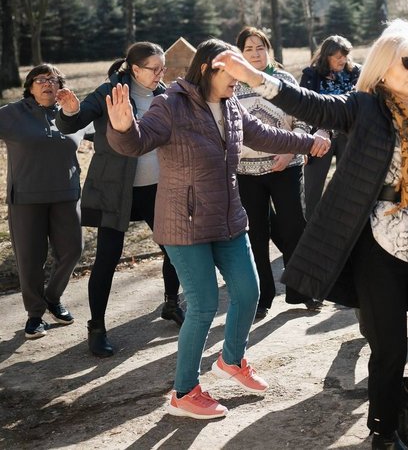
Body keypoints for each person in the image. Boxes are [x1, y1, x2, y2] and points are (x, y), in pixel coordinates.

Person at [212, 20, 408, 450]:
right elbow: (314, 106)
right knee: (389, 348)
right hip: (378, 242)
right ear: (383, 66)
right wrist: (256, 79)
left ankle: (405, 400)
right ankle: (382, 428)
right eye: (406, 62)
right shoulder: (363, 107)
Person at [105, 38, 324, 420]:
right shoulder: (170, 104)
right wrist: (123, 128)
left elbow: (266, 136)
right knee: (204, 304)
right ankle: (184, 392)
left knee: (248, 290)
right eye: (233, 70)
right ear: (208, 68)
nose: (240, 78)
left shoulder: (232, 106)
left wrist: (310, 143)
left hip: (228, 219)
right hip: (182, 224)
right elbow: (138, 141)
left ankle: (231, 360)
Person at [56, 42, 184, 358]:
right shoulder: (109, 92)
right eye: (154, 68)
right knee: (108, 258)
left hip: (157, 188)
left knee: (177, 250)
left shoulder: (162, 93)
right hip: (116, 188)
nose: (160, 73)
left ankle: (171, 302)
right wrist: (70, 110)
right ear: (135, 69)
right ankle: (96, 328)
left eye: (163, 67)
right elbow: (74, 121)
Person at [235, 27, 326, 319]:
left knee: (293, 227)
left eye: (260, 47)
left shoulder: (283, 81)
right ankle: (263, 296)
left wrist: (290, 153)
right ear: (240, 54)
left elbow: (302, 121)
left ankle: (302, 290)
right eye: (248, 49)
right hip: (247, 173)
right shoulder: (233, 85)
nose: (255, 54)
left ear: (268, 50)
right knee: (257, 234)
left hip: (286, 167)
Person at [0, 65, 84, 340]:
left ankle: (51, 296)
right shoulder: (12, 114)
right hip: (26, 198)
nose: (48, 84)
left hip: (66, 195)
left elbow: (111, 134)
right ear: (30, 85)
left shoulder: (71, 113)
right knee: (30, 259)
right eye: (41, 80)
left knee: (73, 250)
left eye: (53, 80)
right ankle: (35, 315)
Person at [299, 34, 360, 217]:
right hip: (320, 135)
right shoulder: (311, 75)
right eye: (338, 57)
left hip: (348, 135)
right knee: (314, 185)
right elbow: (304, 108)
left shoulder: (356, 72)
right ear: (327, 57)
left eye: (345, 56)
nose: (343, 60)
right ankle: (310, 226)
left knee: (349, 184)